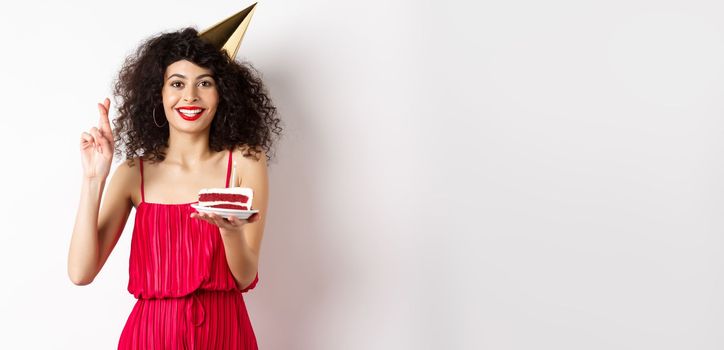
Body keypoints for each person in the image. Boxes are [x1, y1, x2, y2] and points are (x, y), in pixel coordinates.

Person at [67, 8, 281, 348]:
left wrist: (230, 231)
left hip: (224, 335)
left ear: (222, 94)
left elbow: (243, 277)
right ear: (159, 94)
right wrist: (94, 180)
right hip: (150, 337)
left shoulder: (244, 162)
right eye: (177, 84)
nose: (190, 96)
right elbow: (81, 273)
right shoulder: (132, 174)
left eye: (205, 83)